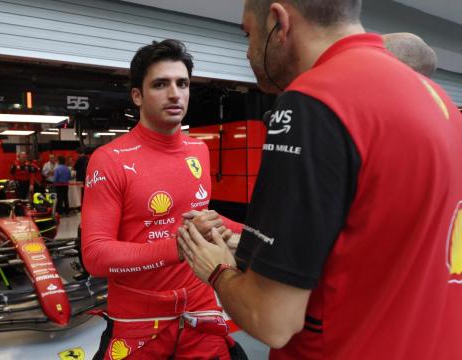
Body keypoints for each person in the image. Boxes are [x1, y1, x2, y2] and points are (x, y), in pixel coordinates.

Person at [178, 1, 462, 359]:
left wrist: (216, 268)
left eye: (249, 35)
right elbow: (378, 242)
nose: (249, 53)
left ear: (279, 23)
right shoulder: (442, 104)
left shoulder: (314, 103)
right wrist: (248, 246)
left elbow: (272, 320)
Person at [81, 39, 245, 360]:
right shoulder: (109, 159)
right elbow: (95, 255)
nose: (175, 93)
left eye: (182, 83)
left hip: (200, 310)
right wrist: (178, 247)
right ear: (137, 95)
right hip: (138, 321)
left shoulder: (199, 149)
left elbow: (201, 217)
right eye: (161, 84)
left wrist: (260, 237)